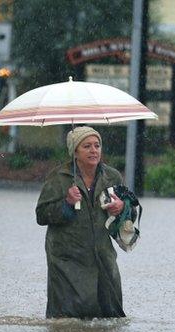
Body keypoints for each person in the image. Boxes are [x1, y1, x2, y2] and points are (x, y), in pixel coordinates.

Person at [36, 126, 127, 319]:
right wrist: (67, 203)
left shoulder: (112, 177)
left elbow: (128, 216)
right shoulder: (59, 178)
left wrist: (122, 208)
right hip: (66, 260)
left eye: (97, 145)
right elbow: (41, 215)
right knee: (67, 320)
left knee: (110, 319)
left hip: (103, 257)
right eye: (86, 146)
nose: (94, 150)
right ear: (75, 151)